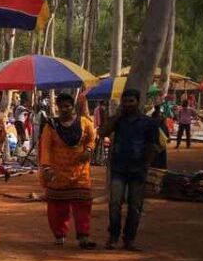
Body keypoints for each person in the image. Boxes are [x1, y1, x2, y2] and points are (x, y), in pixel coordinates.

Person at [100, 89, 160, 251]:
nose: (127, 105)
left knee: (135, 205)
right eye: (125, 102)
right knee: (114, 203)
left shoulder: (148, 123)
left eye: (130, 101)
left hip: (138, 169)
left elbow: (153, 147)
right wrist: (116, 117)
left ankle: (129, 239)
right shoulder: (118, 121)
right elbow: (102, 133)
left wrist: (147, 165)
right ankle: (113, 237)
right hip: (118, 168)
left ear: (138, 102)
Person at [39, 93, 98, 249]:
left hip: (81, 173)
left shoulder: (85, 123)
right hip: (57, 173)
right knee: (57, 207)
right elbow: (45, 147)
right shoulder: (50, 126)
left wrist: (89, 149)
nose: (65, 109)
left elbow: (92, 139)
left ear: (73, 107)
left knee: (83, 205)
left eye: (68, 106)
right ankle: (59, 234)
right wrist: (46, 167)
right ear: (58, 108)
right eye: (62, 106)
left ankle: (84, 236)